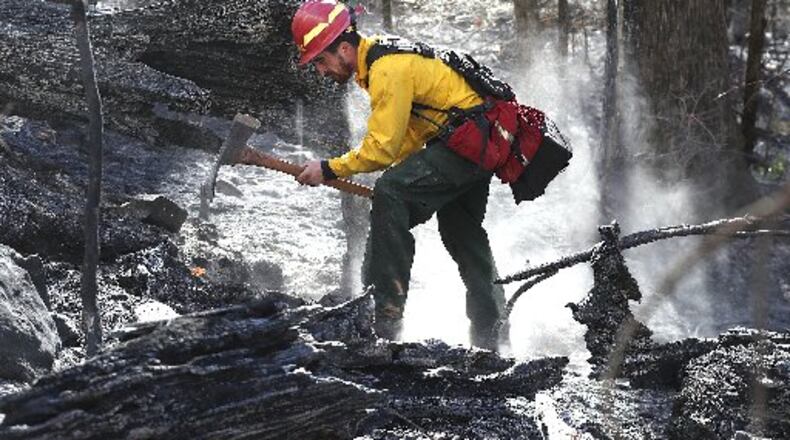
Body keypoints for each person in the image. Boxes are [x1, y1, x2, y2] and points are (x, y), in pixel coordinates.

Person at [292, 0, 506, 350]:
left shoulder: (386, 69)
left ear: (344, 48)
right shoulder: (381, 58)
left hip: (465, 143)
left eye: (320, 60)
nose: (320, 70)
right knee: (461, 230)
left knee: (390, 194)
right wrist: (396, 169)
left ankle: (382, 321)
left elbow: (382, 147)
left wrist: (328, 168)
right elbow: (412, 131)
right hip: (478, 141)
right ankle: (491, 335)